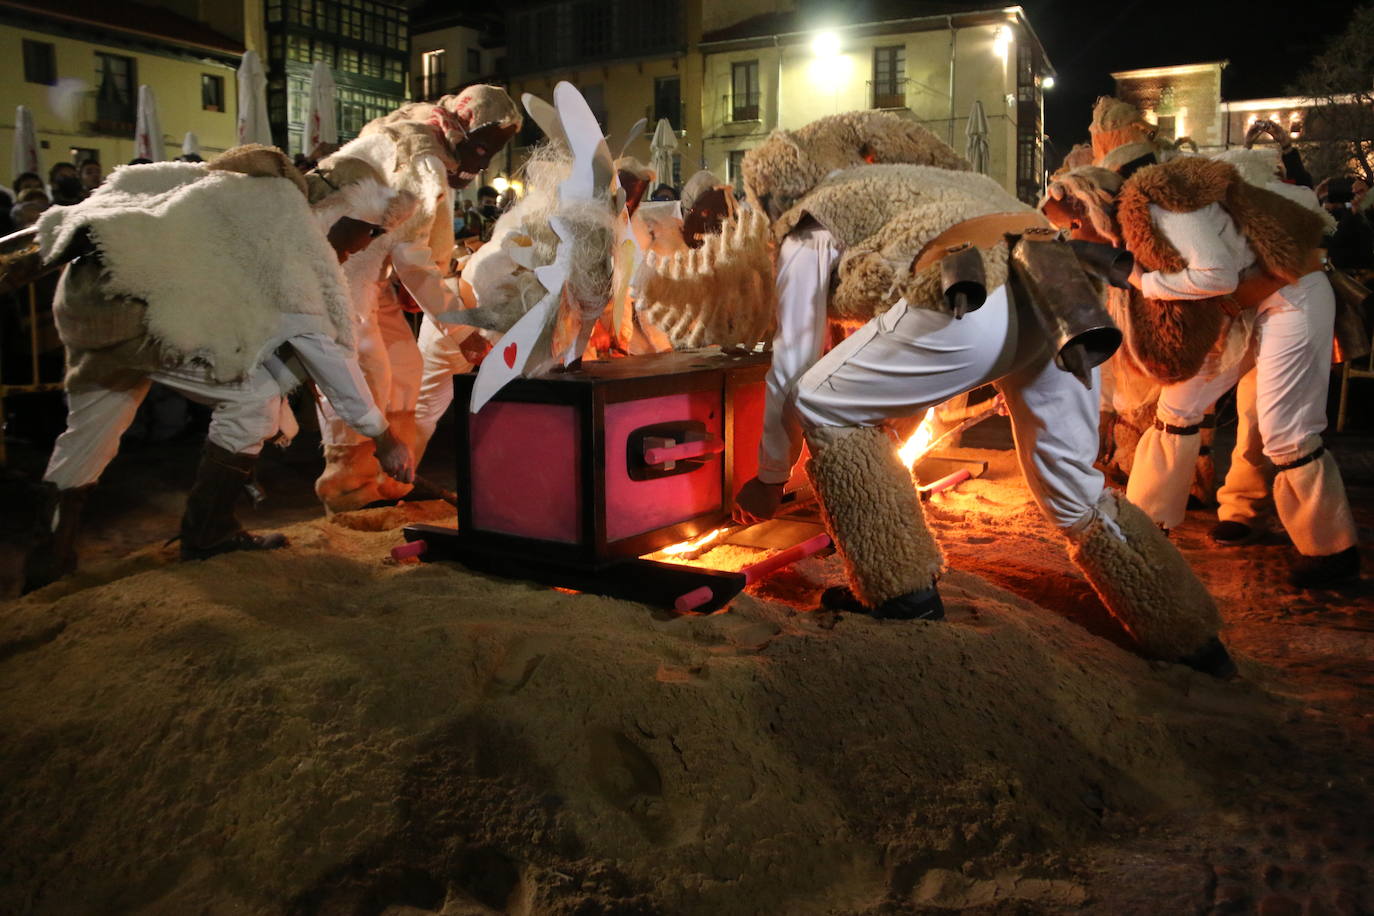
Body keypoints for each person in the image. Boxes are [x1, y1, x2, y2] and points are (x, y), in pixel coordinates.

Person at [731, 110, 1236, 676]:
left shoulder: (809, 218)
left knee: (823, 400)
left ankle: (901, 594)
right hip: (1059, 292)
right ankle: (1191, 637)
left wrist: (770, 476)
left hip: (968, 293)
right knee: (1073, 485)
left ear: (773, 195)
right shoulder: (939, 181)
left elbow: (793, 361)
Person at [20, 145, 418, 591]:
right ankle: (209, 531)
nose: (365, 244)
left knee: (93, 428)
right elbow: (326, 353)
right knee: (256, 400)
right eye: (368, 231)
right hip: (136, 308)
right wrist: (383, 437)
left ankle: (48, 560)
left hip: (91, 300)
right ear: (343, 210)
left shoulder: (258, 197)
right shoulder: (294, 240)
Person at [312, 85, 521, 511]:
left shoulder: (424, 138)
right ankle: (347, 486)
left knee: (405, 364)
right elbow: (416, 262)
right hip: (338, 268)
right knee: (363, 364)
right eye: (481, 148)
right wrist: (462, 330)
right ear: (463, 127)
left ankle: (390, 480)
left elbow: (409, 255)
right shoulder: (424, 158)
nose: (482, 163)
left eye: (491, 153)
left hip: (367, 269)